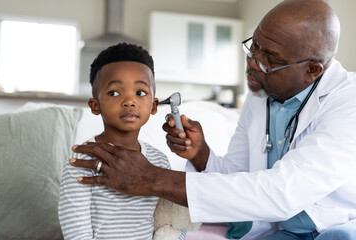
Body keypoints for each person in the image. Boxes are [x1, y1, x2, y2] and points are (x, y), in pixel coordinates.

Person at [68, 0, 356, 239]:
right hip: (282, 229)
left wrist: (151, 178)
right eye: (253, 46)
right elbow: (239, 176)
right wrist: (202, 153)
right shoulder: (262, 93)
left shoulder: (349, 103)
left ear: (312, 70)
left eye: (270, 58)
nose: (253, 62)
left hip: (334, 226)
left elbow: (282, 193)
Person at [58, 43, 188, 240]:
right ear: (95, 105)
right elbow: (77, 232)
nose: (129, 101)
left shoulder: (159, 161)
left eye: (140, 92)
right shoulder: (82, 160)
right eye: (114, 93)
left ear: (154, 106)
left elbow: (169, 222)